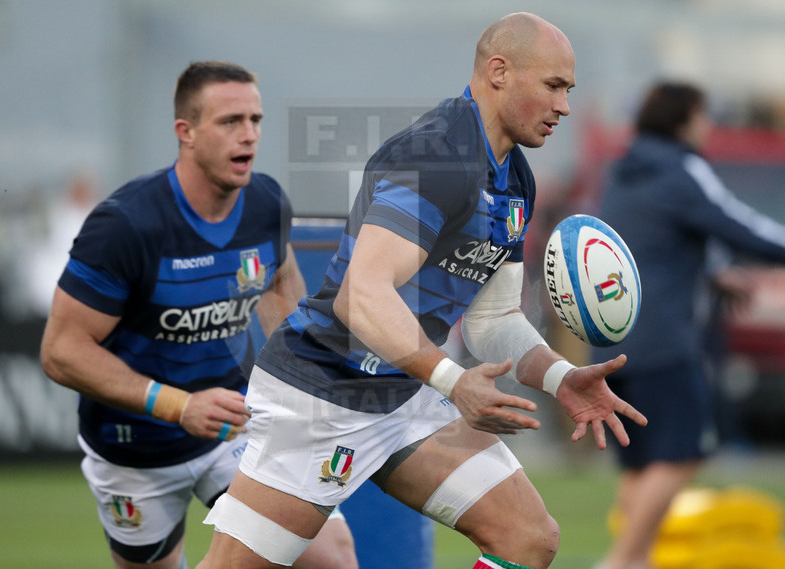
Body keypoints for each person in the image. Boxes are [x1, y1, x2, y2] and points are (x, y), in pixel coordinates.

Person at [196, 14, 647, 569]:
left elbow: (493, 319)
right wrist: (454, 383)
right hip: (322, 394)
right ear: (499, 72)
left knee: (529, 538)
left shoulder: (514, 178)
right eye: (554, 86)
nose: (565, 107)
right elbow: (360, 297)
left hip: (403, 397)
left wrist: (562, 377)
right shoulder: (436, 157)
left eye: (569, 90)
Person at [40, 61, 357, 569]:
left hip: (237, 427)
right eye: (230, 121)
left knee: (331, 559)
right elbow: (61, 352)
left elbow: (281, 290)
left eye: (255, 120)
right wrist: (177, 406)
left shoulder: (266, 202)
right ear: (185, 133)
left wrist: (305, 386)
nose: (249, 135)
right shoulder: (125, 226)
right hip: (135, 447)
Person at [594, 81, 785, 569]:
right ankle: (625, 559)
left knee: (640, 460)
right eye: (703, 116)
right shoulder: (682, 168)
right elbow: (735, 223)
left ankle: (636, 558)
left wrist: (715, 272)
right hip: (663, 340)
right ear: (684, 119)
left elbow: (658, 236)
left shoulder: (624, 169)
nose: (707, 126)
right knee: (684, 452)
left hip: (610, 338)